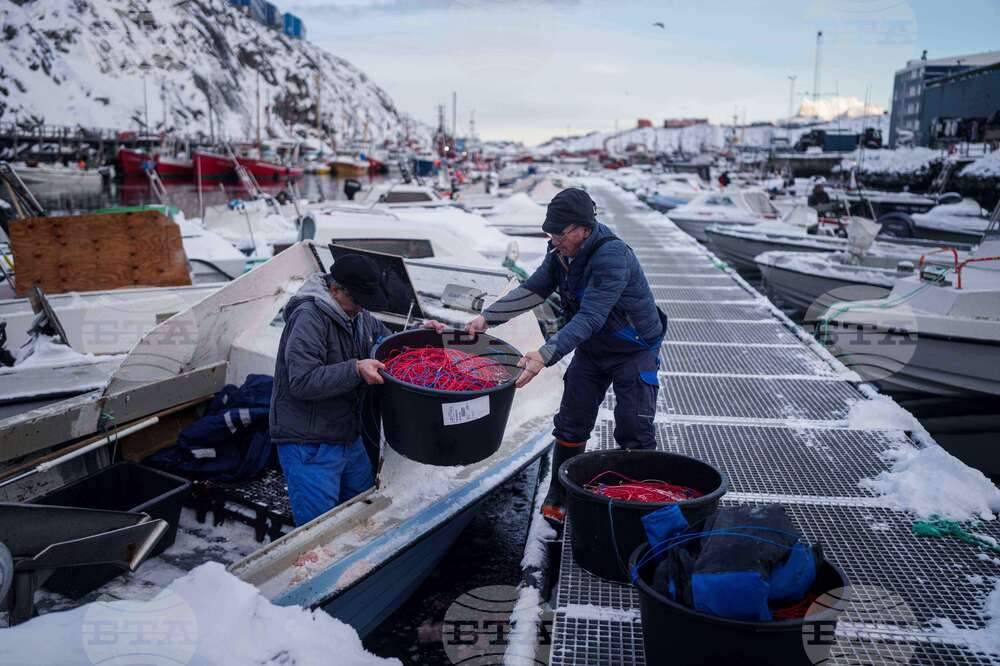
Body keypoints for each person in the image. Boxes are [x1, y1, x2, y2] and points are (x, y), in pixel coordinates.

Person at [465, 188, 666, 524]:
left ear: (582, 229)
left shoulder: (612, 256)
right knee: (572, 418)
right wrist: (488, 318)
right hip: (592, 346)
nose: (553, 239)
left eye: (559, 234)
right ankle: (560, 491)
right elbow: (534, 289)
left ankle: (635, 503)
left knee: (634, 427)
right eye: (550, 233)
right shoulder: (560, 252)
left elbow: (590, 316)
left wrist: (545, 353)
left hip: (633, 348)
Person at [269, 253, 444, 526]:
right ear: (335, 289)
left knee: (364, 509)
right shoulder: (308, 318)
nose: (362, 308)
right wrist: (355, 369)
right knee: (319, 530)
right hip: (309, 445)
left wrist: (420, 333)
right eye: (358, 301)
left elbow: (388, 343)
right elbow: (301, 381)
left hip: (347, 437)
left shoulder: (358, 315)